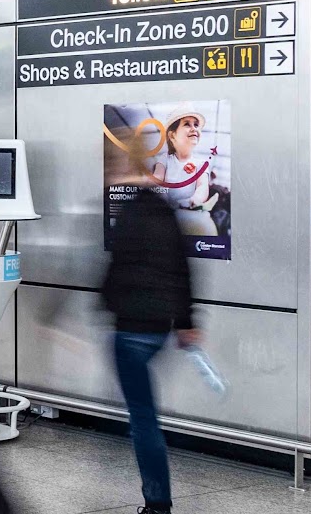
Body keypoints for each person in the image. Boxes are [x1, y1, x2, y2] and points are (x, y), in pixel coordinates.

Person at [103, 140, 199, 514]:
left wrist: (105, 300)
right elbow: (182, 269)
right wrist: (186, 322)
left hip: (129, 330)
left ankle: (158, 503)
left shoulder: (128, 214)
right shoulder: (165, 211)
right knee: (144, 414)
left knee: (143, 420)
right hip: (159, 327)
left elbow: (118, 270)